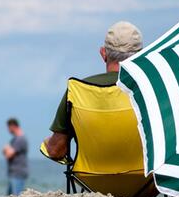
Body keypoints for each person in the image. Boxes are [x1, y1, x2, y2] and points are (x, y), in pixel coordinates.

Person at [43, 21, 143, 160]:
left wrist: (46, 144)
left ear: (103, 53)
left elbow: (55, 151)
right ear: (140, 56)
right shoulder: (150, 91)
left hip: (91, 179)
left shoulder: (77, 91)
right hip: (143, 179)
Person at [3, 118, 28, 196]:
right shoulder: (15, 139)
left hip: (18, 173)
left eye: (8, 127)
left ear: (13, 126)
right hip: (14, 173)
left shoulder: (20, 139)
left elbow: (8, 155)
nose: (8, 130)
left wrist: (6, 148)